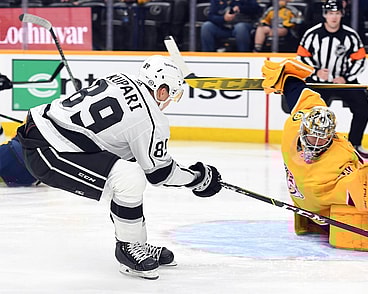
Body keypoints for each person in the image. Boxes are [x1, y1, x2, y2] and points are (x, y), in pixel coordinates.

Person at [16, 55, 223, 280]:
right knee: (129, 178)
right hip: (48, 152)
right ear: (161, 91)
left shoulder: (120, 77)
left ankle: (136, 244)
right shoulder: (151, 119)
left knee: (126, 173)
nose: (170, 101)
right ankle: (127, 249)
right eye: (171, 94)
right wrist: (198, 178)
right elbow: (160, 174)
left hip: (41, 129)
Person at [261, 57, 368, 236]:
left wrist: (286, 77)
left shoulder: (295, 124)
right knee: (366, 188)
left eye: (322, 139)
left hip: (311, 199)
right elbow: (358, 189)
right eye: (312, 138)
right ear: (304, 131)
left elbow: (301, 95)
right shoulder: (320, 176)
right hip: (323, 215)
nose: (316, 144)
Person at [296, 0, 368, 159]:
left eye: (337, 13)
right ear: (325, 15)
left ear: (342, 15)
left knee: (363, 109)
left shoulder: (350, 35)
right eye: (331, 13)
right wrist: (315, 72)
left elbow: (360, 59)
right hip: (319, 83)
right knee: (312, 113)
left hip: (344, 82)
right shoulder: (312, 34)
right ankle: (307, 145)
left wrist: (346, 77)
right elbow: (301, 57)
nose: (334, 17)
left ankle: (355, 145)